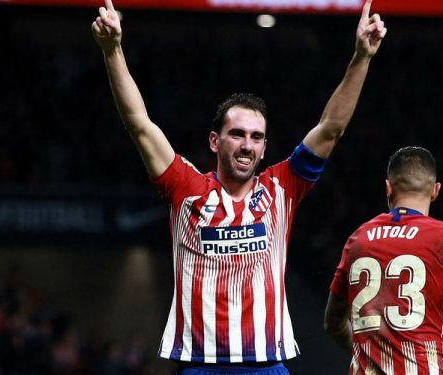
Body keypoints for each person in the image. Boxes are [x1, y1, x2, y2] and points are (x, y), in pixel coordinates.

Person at [91, 0, 386, 373]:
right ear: (215, 141)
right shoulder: (186, 189)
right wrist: (113, 50)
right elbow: (139, 124)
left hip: (266, 365)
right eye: (237, 134)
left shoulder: (283, 187)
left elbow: (331, 128)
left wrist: (361, 57)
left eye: (256, 137)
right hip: (201, 365)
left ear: (264, 148)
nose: (247, 144)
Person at [324, 146, 443, 374]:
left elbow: (333, 323)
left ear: (387, 188)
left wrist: (370, 358)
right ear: (435, 190)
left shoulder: (357, 240)